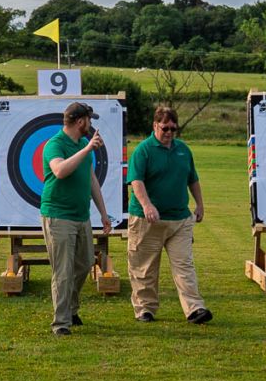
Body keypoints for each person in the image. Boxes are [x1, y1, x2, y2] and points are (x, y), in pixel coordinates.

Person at [125, 107, 209, 324]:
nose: (170, 132)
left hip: (180, 220)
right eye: (165, 128)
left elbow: (193, 179)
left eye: (174, 128)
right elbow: (136, 181)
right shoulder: (143, 151)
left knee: (185, 266)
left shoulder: (183, 150)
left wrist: (199, 204)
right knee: (144, 268)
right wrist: (147, 205)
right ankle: (145, 309)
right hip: (147, 221)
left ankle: (195, 308)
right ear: (155, 126)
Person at [39, 101, 112, 336]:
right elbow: (59, 171)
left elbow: (91, 179)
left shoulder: (82, 143)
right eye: (89, 120)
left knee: (85, 262)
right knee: (63, 271)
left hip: (82, 216)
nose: (90, 125)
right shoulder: (55, 144)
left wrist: (103, 212)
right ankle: (61, 323)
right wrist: (87, 149)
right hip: (58, 216)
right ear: (81, 122)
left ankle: (70, 308)